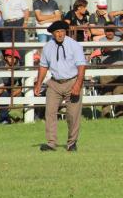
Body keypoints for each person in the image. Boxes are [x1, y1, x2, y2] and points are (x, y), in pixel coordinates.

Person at [34, 21, 86, 152]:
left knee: (73, 115)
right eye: (57, 32)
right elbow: (43, 66)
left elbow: (81, 66)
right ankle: (51, 143)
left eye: (62, 31)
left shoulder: (74, 45)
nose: (60, 34)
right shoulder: (47, 47)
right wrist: (39, 83)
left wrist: (78, 85)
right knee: (50, 112)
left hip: (72, 81)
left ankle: (72, 143)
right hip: (55, 82)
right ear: (52, 33)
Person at [98, 22, 123, 118]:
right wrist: (119, 42)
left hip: (119, 69)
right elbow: (106, 49)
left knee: (119, 92)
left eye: (112, 30)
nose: (109, 32)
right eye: (107, 30)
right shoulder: (101, 40)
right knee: (107, 93)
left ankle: (119, 115)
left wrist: (118, 29)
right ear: (105, 31)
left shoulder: (120, 38)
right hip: (106, 70)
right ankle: (106, 115)